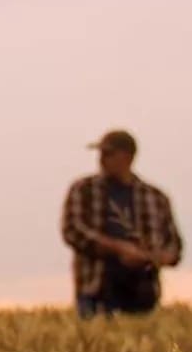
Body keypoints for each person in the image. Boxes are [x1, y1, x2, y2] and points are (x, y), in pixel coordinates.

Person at [60, 129, 184, 318]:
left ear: (128, 157)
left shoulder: (156, 197)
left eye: (108, 154)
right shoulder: (83, 190)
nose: (101, 159)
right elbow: (73, 230)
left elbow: (174, 245)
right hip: (97, 287)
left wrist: (154, 257)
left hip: (142, 293)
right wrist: (119, 249)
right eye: (100, 154)